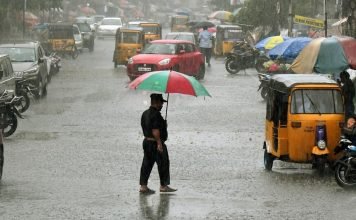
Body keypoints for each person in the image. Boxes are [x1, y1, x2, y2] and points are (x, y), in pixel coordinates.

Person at [139, 94, 177, 194]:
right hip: (155, 143)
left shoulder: (145, 113)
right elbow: (155, 130)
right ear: (156, 102)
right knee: (163, 163)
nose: (162, 105)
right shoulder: (156, 115)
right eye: (161, 103)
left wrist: (163, 124)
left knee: (146, 164)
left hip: (146, 142)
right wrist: (159, 143)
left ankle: (143, 187)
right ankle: (163, 186)